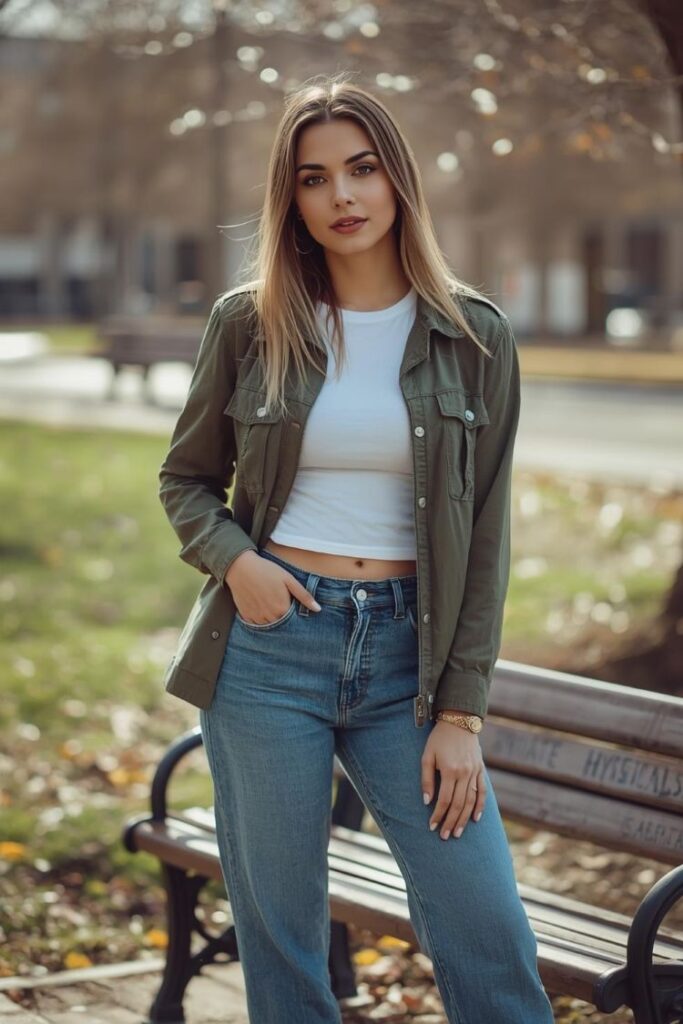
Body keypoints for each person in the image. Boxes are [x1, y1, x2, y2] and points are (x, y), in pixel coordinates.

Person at [158, 73, 555, 1024]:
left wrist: (461, 713)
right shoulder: (249, 325)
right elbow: (184, 481)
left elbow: (488, 532)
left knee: (483, 922)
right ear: (289, 199)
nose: (341, 196)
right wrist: (238, 562)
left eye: (362, 170)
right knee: (282, 935)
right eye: (313, 178)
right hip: (267, 650)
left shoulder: (474, 336)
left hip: (407, 669)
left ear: (397, 181)